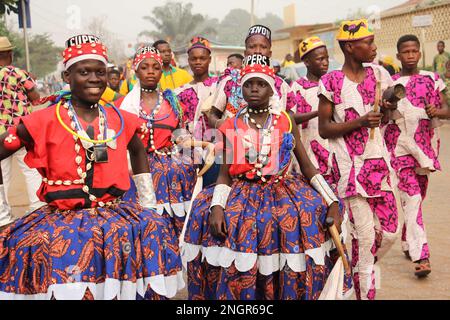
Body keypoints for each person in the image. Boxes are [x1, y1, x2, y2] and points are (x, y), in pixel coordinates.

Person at [0, 35, 184, 300]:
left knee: (153, 233)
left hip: (113, 214)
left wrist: (148, 203)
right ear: (67, 75)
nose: (94, 78)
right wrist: (3, 216)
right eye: (84, 71)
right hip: (60, 221)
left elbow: (138, 149)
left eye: (100, 72)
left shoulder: (119, 118)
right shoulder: (43, 119)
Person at [183, 55, 350, 300]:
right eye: (248, 85)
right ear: (241, 89)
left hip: (282, 189)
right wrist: (217, 207)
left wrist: (332, 201)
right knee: (225, 225)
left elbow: (307, 167)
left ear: (272, 89)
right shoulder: (232, 124)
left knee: (300, 221)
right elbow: (225, 173)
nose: (254, 89)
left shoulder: (285, 120)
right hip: (242, 191)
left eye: (260, 84)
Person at [318, 19, 399, 300]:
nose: (374, 47)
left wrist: (386, 110)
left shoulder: (379, 75)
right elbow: (324, 128)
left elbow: (386, 118)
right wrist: (361, 121)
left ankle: (357, 271)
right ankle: (364, 288)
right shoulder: (330, 82)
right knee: (364, 239)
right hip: (350, 171)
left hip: (379, 166)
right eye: (369, 42)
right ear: (350, 47)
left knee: (389, 233)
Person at [385, 34, 450, 278]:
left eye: (414, 51)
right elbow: (383, 114)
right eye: (406, 52)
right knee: (411, 199)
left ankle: (407, 238)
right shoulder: (390, 83)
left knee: (418, 198)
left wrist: (437, 110)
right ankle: (421, 255)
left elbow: (446, 110)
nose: (410, 55)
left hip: (425, 151)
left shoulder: (432, 79)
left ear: (419, 53)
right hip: (399, 149)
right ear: (399, 54)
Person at [120, 46, 198, 237]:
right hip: (139, 168)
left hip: (173, 169)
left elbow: (180, 131)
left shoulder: (172, 101)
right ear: (136, 71)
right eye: (145, 67)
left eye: (155, 67)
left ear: (161, 70)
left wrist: (187, 143)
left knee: (177, 224)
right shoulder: (126, 105)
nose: (150, 72)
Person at [207, 24, 296, 129]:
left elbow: (291, 118)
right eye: (252, 46)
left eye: (263, 47)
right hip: (234, 142)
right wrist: (226, 127)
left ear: (270, 53)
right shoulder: (230, 82)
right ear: (245, 53)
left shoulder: (281, 86)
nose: (257, 51)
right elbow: (213, 115)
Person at [0, 36, 46, 224]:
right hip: (21, 129)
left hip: (0, 135)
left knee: (3, 175)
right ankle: (37, 209)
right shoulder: (18, 73)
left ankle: (3, 216)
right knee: (30, 169)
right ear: (10, 54)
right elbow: (35, 96)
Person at [291, 36, 333, 184]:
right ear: (307, 62)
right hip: (308, 152)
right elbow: (290, 118)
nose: (325, 63)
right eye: (320, 59)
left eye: (327, 58)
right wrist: (319, 112)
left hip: (333, 151)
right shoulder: (298, 87)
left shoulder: (333, 84)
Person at [176, 37, 219, 137]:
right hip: (189, 145)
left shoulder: (219, 85)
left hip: (216, 142)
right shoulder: (181, 92)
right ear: (188, 61)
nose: (198, 62)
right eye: (194, 59)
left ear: (209, 60)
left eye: (202, 58)